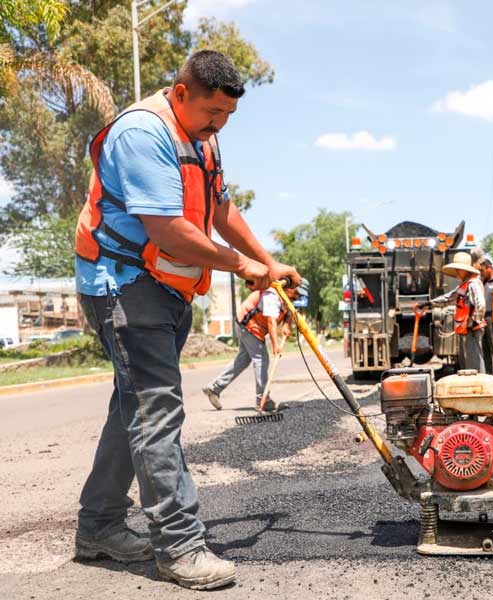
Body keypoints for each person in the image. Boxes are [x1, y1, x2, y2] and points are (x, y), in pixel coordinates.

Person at [73, 51, 300, 590]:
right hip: (124, 285)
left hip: (166, 288)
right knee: (157, 412)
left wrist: (266, 263)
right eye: (211, 111)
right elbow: (169, 231)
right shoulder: (142, 133)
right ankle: (178, 547)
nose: (218, 124)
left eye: (227, 115)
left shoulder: (204, 138)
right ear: (180, 94)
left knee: (132, 408)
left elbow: (221, 211)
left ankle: (99, 527)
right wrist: (240, 266)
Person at [203, 284, 301, 412]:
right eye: (296, 294)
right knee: (261, 359)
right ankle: (263, 400)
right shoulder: (272, 297)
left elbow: (289, 312)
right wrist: (276, 345)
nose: (297, 298)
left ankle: (214, 388)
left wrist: (287, 324)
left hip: (253, 327)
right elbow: (271, 321)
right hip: (249, 326)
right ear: (289, 289)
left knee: (243, 360)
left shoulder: (286, 299)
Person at [420, 251, 486, 372]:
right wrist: (429, 303)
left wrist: (475, 320)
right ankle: (471, 384)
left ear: (466, 270)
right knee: (466, 359)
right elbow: (449, 297)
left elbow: (480, 304)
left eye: (458, 270)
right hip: (465, 328)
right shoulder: (463, 286)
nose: (456, 273)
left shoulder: (473, 283)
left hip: (472, 328)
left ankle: (480, 384)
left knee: (474, 358)